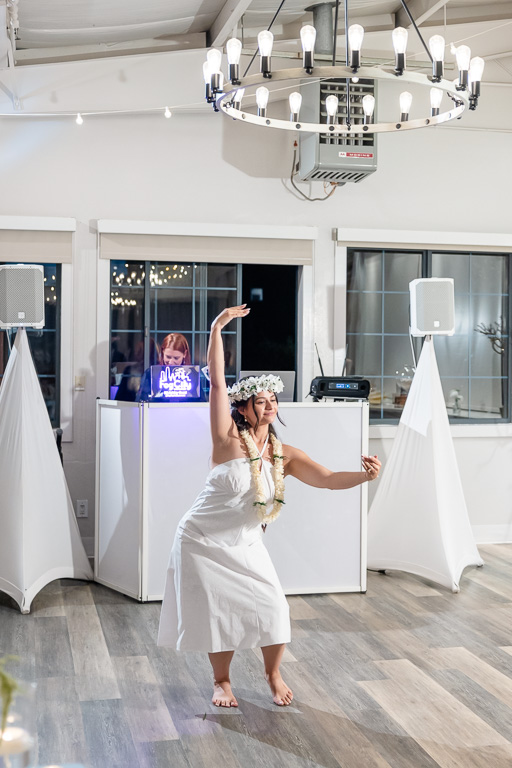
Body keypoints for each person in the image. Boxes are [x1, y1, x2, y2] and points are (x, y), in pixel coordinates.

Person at [157, 305, 381, 708]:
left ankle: (273, 674)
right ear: (243, 408)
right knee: (216, 615)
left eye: (272, 399)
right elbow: (218, 385)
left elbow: (329, 480)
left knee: (273, 605)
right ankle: (222, 682)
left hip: (245, 542)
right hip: (201, 540)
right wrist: (216, 328)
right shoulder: (226, 440)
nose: (269, 405)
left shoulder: (284, 454)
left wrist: (365, 476)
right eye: (260, 400)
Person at [136, 333, 192, 401]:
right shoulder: (150, 374)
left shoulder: (192, 375)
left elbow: (201, 405)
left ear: (184, 354)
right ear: (162, 352)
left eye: (176, 358)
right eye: (168, 357)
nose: (171, 362)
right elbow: (141, 402)